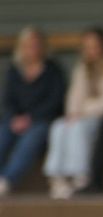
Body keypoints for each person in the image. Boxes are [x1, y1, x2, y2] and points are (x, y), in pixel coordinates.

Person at [43, 27, 103, 199]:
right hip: (80, 116)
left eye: (95, 46)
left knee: (77, 128)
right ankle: (57, 177)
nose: (91, 51)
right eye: (87, 47)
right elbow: (74, 95)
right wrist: (73, 112)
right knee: (59, 126)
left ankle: (80, 175)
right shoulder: (82, 68)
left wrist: (83, 111)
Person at [0, 26, 65, 197]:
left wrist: (31, 117)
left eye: (36, 45)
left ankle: (7, 179)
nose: (32, 49)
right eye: (29, 45)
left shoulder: (53, 70)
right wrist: (14, 117)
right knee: (3, 134)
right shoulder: (14, 70)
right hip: (16, 119)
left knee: (31, 139)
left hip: (42, 119)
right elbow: (8, 100)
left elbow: (55, 100)